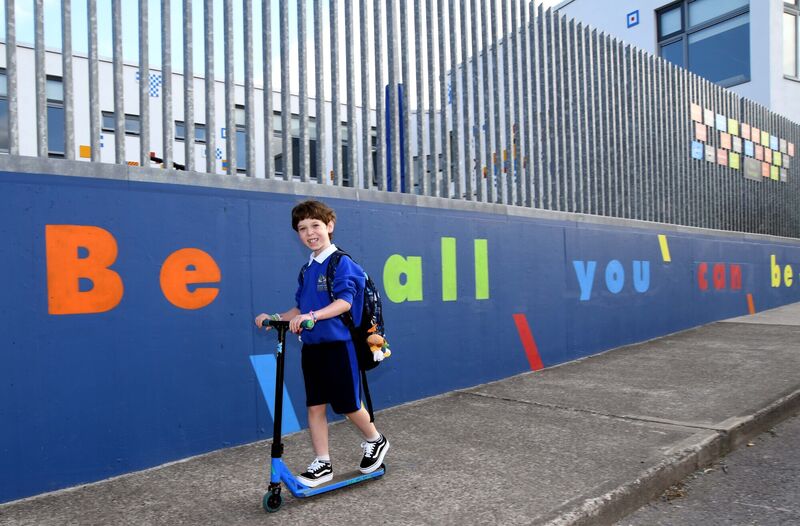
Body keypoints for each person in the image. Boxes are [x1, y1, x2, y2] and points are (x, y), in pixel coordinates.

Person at [254, 199, 390, 488]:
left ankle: (375, 440)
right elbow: (298, 309)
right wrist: (276, 317)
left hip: (340, 346)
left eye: (315, 225)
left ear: (329, 226)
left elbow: (344, 303)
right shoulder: (307, 269)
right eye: (302, 229)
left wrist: (311, 316)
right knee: (315, 406)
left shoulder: (342, 263)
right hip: (312, 348)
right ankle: (322, 462)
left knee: (348, 405)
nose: (309, 233)